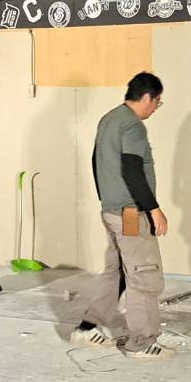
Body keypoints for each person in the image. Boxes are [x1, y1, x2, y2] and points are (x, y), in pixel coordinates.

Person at [70, 72, 175, 360]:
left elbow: (95, 161)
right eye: (157, 102)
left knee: (116, 273)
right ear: (147, 97)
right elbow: (132, 169)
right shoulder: (132, 125)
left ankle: (87, 327)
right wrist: (153, 209)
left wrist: (107, 198)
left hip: (112, 210)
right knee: (144, 276)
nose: (155, 108)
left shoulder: (110, 119)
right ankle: (141, 343)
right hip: (130, 213)